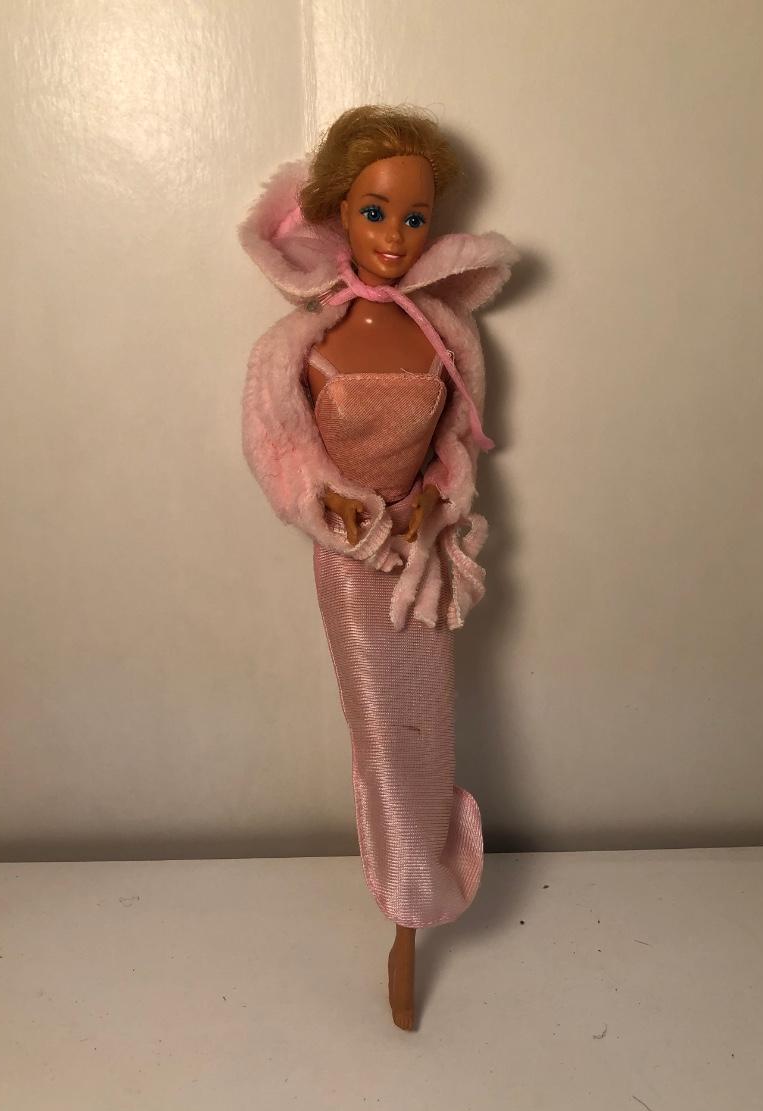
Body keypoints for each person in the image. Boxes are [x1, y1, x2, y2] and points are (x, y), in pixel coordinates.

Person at [239, 105, 519, 1030]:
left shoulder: (447, 335)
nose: (394, 236)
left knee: (427, 728)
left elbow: (457, 448)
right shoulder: (298, 343)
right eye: (374, 212)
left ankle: (424, 886)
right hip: (355, 565)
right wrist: (333, 504)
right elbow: (280, 451)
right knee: (382, 736)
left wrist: (439, 502)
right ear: (336, 214)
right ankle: (407, 903)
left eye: (413, 216)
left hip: (423, 561)